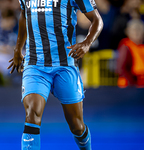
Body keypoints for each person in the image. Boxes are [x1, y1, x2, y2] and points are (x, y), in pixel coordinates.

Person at [7, 0, 103, 149]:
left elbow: (97, 20)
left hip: (65, 65)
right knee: (32, 114)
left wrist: (86, 43)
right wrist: (18, 48)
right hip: (35, 65)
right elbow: (24, 14)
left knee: (76, 125)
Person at [117, 19, 144, 88]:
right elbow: (121, 69)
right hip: (129, 85)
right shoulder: (125, 46)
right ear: (128, 32)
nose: (136, 33)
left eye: (139, 29)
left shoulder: (141, 46)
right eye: (134, 30)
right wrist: (132, 84)